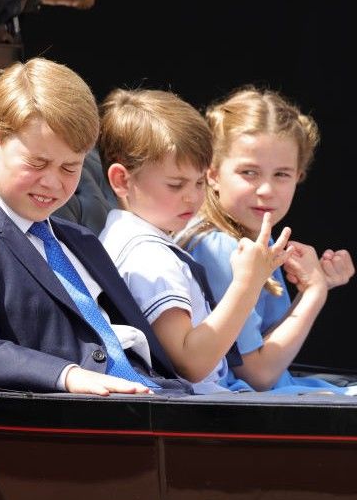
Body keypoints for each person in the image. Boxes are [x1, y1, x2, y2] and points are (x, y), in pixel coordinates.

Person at [0, 58, 189, 397]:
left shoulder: (80, 240)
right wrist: (69, 376)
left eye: (70, 167)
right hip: (77, 417)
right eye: (37, 163)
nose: (52, 182)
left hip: (163, 396)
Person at [96, 88, 293, 394]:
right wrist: (247, 283)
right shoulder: (149, 258)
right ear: (122, 180)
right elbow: (191, 362)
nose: (193, 196)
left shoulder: (128, 237)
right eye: (176, 184)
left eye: (199, 182)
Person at [177, 86, 355, 393]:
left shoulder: (254, 237)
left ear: (299, 175)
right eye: (249, 172)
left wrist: (317, 284)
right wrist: (314, 293)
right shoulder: (222, 248)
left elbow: (267, 347)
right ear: (213, 173)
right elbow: (257, 374)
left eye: (282, 174)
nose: (266, 190)